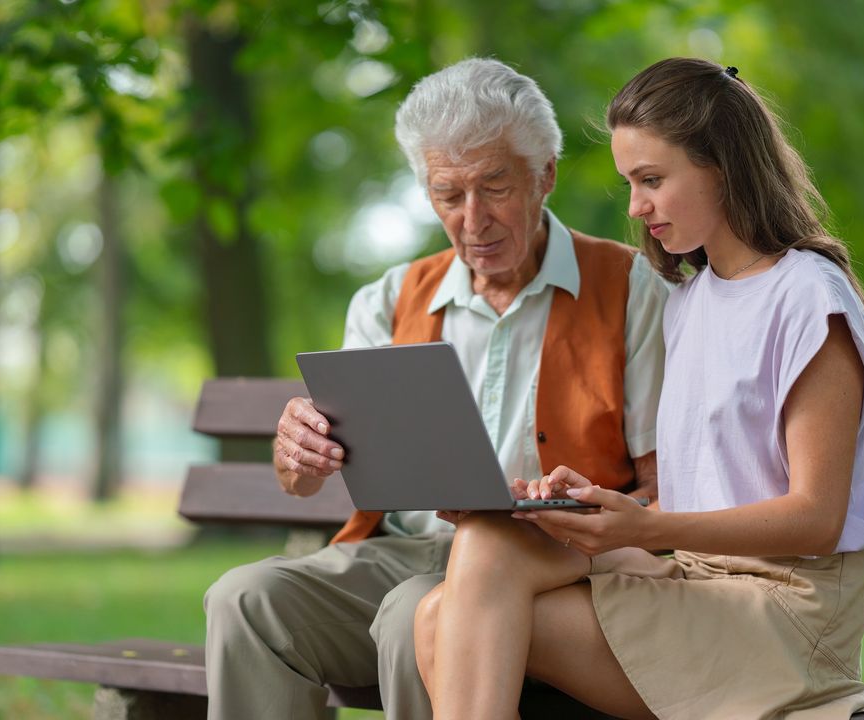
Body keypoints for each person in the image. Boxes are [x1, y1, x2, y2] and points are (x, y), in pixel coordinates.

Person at [413, 57, 864, 720]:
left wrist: (648, 525)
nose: (637, 207)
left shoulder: (808, 298)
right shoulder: (689, 300)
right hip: (698, 582)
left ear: (722, 167)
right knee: (481, 552)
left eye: (651, 180)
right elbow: (711, 483)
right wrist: (585, 504)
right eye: (630, 183)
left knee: (450, 620)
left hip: (786, 616)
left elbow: (816, 518)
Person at [202, 58, 670, 720]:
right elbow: (303, 482)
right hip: (398, 550)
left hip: (544, 563)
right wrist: (297, 455)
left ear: (546, 176)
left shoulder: (632, 290)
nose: (472, 219)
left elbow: (663, 489)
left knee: (412, 615)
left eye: (494, 187)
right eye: (448, 194)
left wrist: (583, 511)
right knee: (244, 600)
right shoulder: (390, 298)